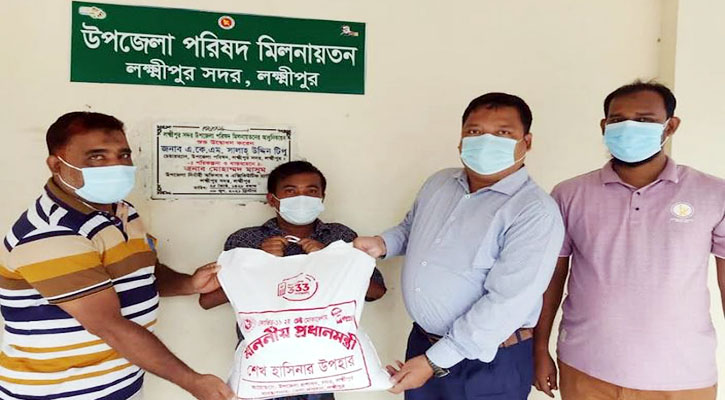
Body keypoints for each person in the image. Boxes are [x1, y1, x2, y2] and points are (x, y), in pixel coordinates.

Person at [0, 112, 234, 400]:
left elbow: (143, 273)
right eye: (97, 157)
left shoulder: (122, 211)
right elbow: (109, 326)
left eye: (123, 155)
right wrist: (192, 381)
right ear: (56, 164)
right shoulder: (51, 232)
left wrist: (189, 284)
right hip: (59, 392)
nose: (116, 166)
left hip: (120, 385)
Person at [354, 92, 564, 399]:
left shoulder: (534, 212)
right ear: (461, 140)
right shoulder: (440, 183)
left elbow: (507, 303)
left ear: (526, 142)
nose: (486, 142)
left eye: (503, 133)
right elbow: (411, 229)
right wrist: (382, 243)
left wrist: (433, 362)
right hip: (424, 345)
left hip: (488, 361)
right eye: (475, 132)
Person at [533, 81, 725, 400]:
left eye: (644, 120)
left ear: (670, 126)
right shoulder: (569, 194)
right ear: (603, 126)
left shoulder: (713, 194)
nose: (629, 128)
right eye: (618, 120)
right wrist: (539, 348)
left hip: (682, 376)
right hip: (585, 368)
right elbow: (551, 277)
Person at [199, 160, 387, 400]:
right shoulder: (246, 240)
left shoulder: (341, 237)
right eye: (290, 191)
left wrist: (330, 261)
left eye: (311, 191)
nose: (302, 198)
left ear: (322, 197)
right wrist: (260, 264)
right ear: (272, 199)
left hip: (325, 362)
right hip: (265, 361)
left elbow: (377, 292)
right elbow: (208, 300)